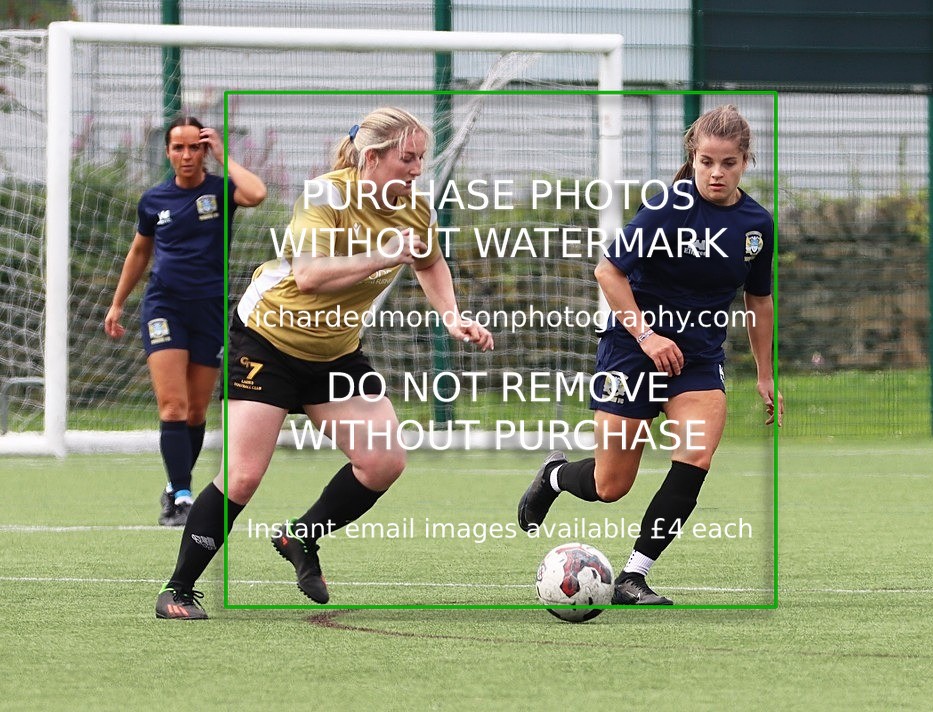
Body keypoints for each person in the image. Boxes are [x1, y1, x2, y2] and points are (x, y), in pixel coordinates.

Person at [155, 106, 493, 619]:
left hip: (334, 351)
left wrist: (451, 316)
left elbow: (429, 260)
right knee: (243, 476)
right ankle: (177, 590)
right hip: (267, 342)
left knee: (384, 461)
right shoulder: (325, 195)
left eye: (421, 158)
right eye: (408, 158)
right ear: (373, 157)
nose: (417, 168)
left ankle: (299, 537)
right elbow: (310, 276)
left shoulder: (414, 208)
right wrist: (386, 253)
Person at [517, 104, 782, 605]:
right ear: (693, 157)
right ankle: (555, 475)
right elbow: (608, 272)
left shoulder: (757, 225)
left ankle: (633, 576)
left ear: (745, 161)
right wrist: (646, 336)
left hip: (698, 360)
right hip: (632, 352)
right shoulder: (668, 207)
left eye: (728, 163)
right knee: (610, 484)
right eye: (706, 161)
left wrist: (766, 376)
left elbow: (759, 300)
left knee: (696, 454)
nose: (716, 173)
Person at [105, 117, 267, 527]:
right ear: (167, 153)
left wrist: (225, 155)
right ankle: (180, 496)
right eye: (178, 147)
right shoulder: (154, 200)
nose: (187, 155)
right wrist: (117, 303)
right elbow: (140, 253)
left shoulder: (222, 190)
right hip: (164, 308)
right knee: (173, 406)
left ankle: (176, 484)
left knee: (196, 412)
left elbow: (258, 193)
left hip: (209, 311)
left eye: (195, 147)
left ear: (204, 150)